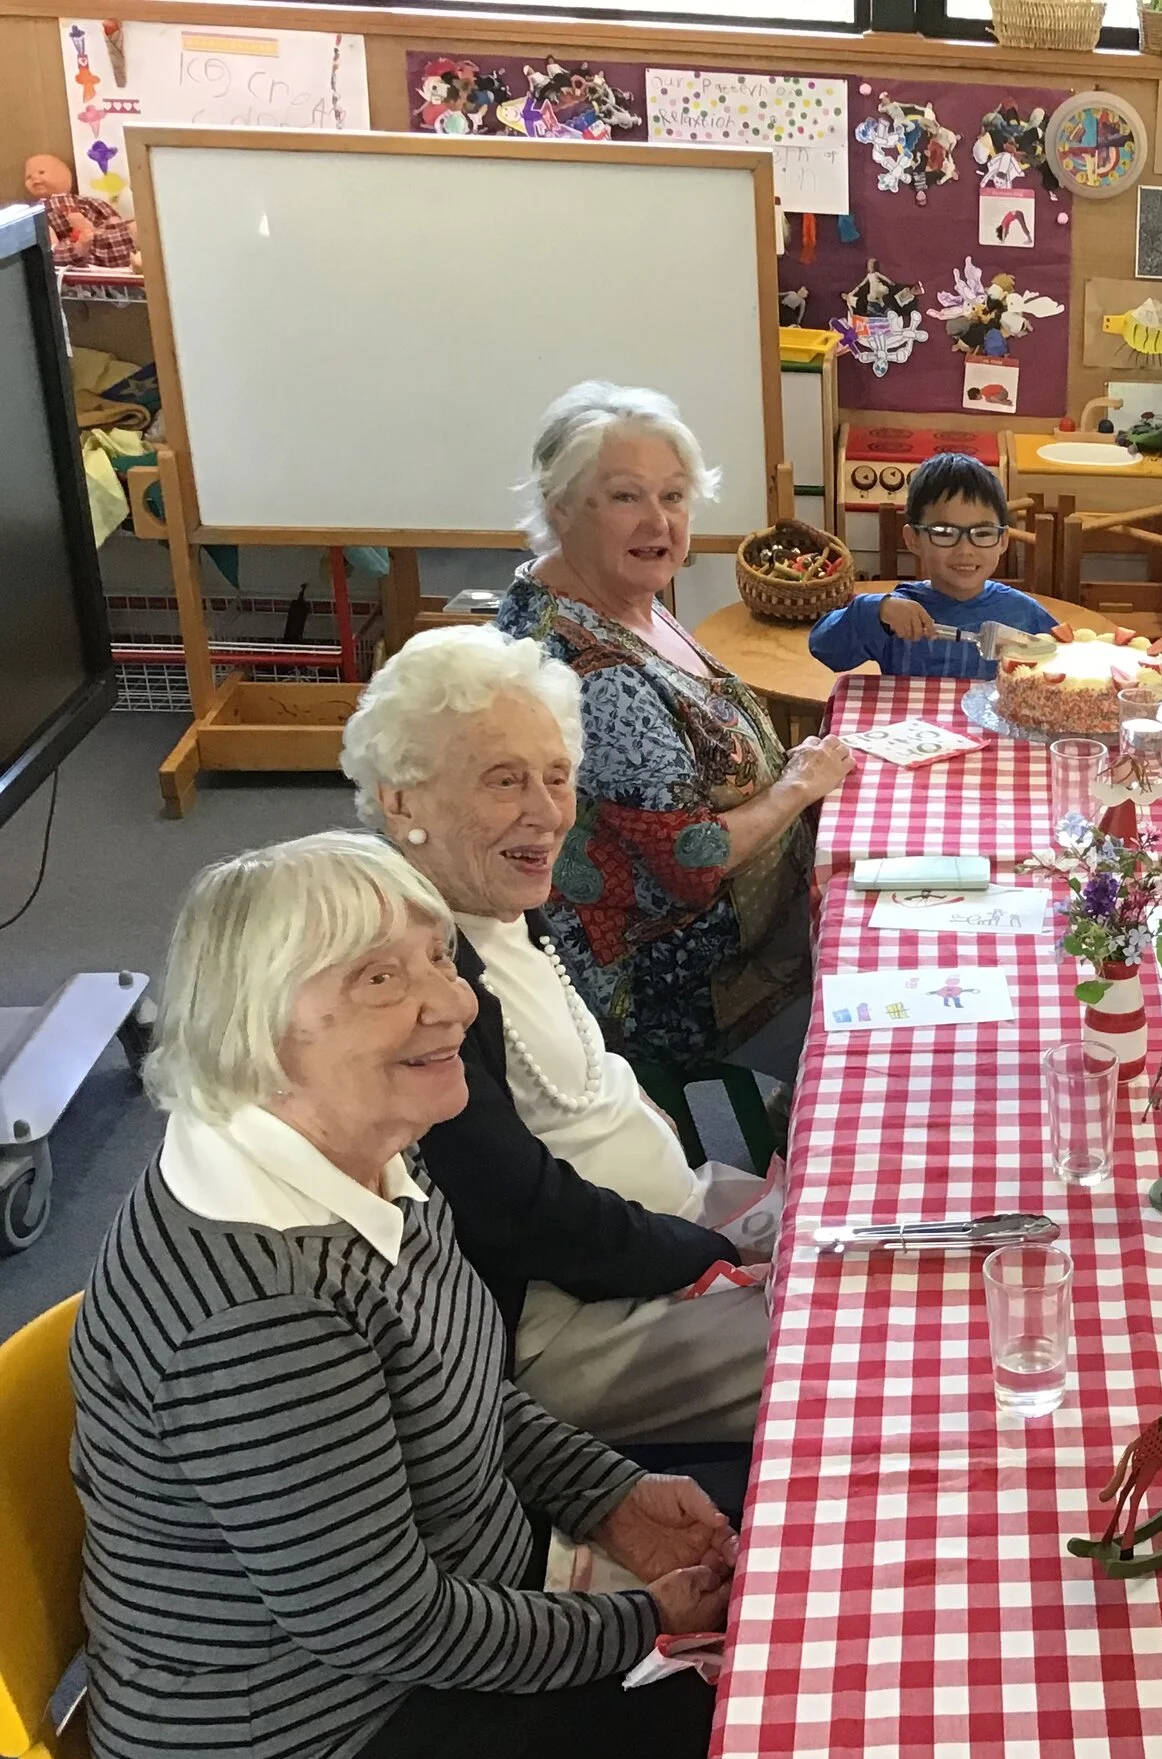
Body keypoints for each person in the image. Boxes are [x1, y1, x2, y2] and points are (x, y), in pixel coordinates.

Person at [70, 832, 732, 1759]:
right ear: (262, 1021)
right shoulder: (257, 1316)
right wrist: (640, 1622)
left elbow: (462, 1384)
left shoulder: (358, 1139)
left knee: (778, 1525)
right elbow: (388, 1626)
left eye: (438, 957)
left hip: (432, 1598)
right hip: (303, 1755)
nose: (451, 1002)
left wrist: (614, 1497)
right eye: (382, 976)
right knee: (738, 1715)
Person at [340, 627, 771, 1445]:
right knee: (878, 1352)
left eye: (558, 776)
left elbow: (574, 1058)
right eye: (504, 781)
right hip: (580, 1322)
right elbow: (520, 1215)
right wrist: (705, 1252)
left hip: (667, 1228)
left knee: (898, 1223)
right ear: (401, 799)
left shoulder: (492, 896)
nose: (545, 813)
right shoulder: (410, 979)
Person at [496, 380, 854, 1079]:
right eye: (626, 496)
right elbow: (694, 862)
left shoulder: (620, 598)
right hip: (684, 982)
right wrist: (797, 788)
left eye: (674, 495)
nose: (658, 521)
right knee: (921, 1004)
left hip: (753, 922)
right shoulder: (591, 672)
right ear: (558, 505)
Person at [808, 452, 1056, 679]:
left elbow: (1066, 657)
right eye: (944, 532)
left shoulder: (1023, 614)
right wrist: (876, 610)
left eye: (982, 533)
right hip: (907, 728)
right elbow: (824, 648)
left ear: (1003, 540)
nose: (965, 550)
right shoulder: (897, 613)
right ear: (913, 539)